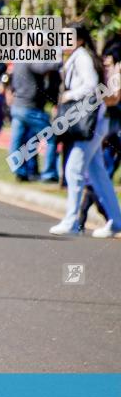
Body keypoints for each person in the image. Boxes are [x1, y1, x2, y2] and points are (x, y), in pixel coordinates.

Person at [49, 23, 121, 237]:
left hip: (91, 122)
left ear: (80, 40)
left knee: (73, 169)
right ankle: (116, 220)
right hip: (94, 120)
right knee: (98, 173)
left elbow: (90, 86)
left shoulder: (81, 57)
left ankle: (71, 221)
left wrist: (68, 96)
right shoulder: (77, 57)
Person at [75, 38, 121, 232]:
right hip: (112, 132)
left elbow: (113, 98)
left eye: (109, 64)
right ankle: (88, 218)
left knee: (99, 175)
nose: (107, 68)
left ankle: (84, 219)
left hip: (114, 132)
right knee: (99, 174)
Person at [7, 58, 62, 182]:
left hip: (18, 105)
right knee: (52, 136)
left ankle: (21, 172)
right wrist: (60, 61)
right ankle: (49, 173)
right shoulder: (29, 57)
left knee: (19, 140)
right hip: (30, 107)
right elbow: (42, 67)